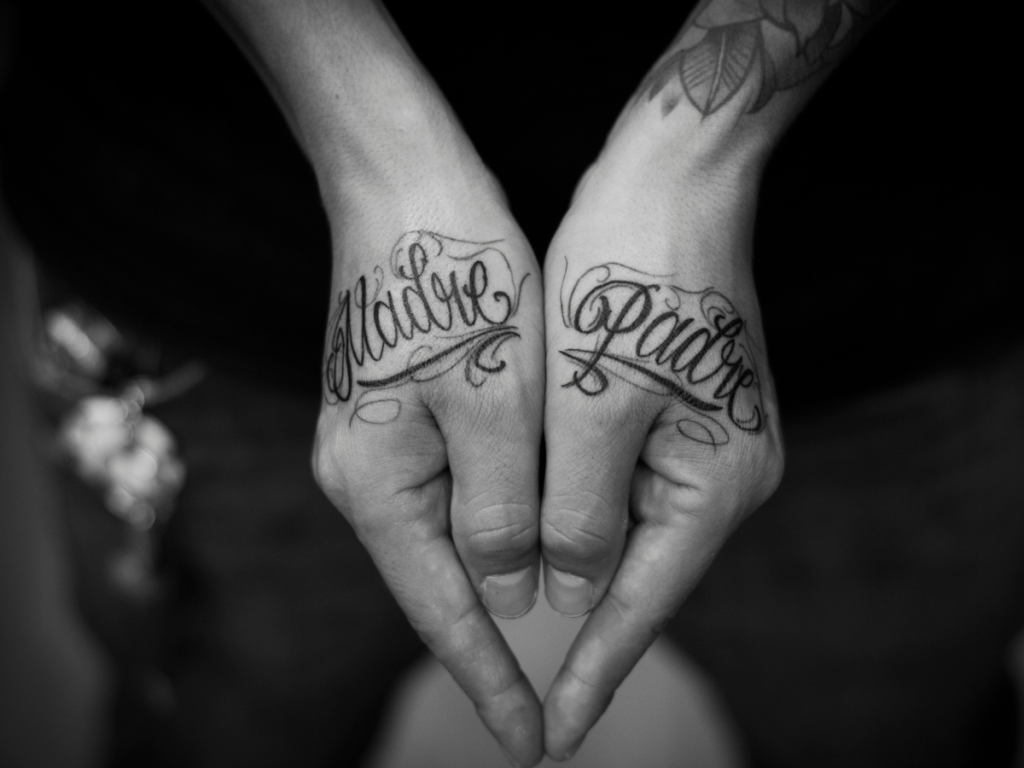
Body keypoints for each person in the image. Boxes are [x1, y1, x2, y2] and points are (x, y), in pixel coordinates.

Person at [2, 1, 1021, 767]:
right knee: (222, 734)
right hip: (214, 274)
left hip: (885, 288)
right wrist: (373, 145)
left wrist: (698, 153)